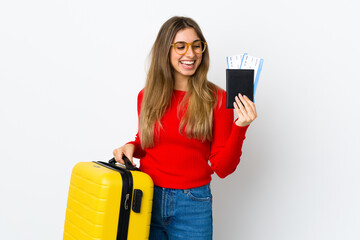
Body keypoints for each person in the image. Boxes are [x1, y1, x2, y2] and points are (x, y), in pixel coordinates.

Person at [113, 16, 257, 240]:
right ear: (165, 51)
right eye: (180, 46)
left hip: (193, 205)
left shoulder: (217, 99)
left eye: (196, 46)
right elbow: (147, 142)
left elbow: (223, 168)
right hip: (146, 196)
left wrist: (240, 127)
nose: (190, 54)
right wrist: (130, 146)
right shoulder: (146, 96)